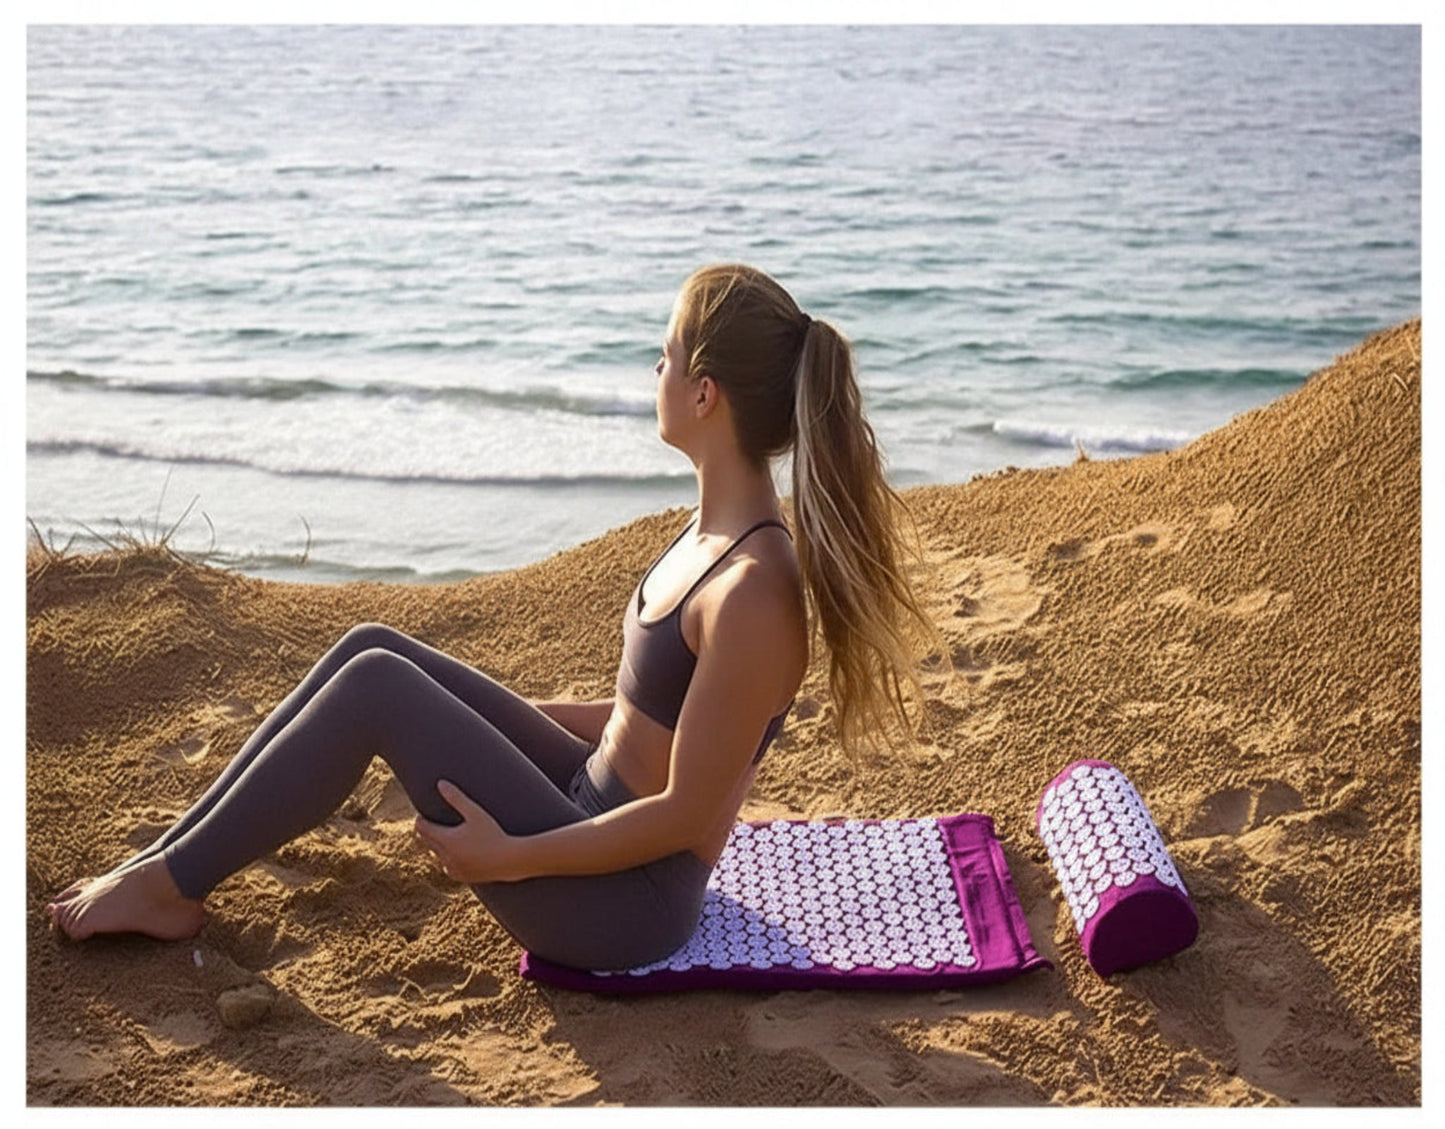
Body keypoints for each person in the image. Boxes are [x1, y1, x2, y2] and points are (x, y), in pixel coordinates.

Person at [47, 263, 939, 972]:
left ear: (704, 393)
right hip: (586, 801)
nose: (654, 371)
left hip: (625, 903)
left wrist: (509, 857)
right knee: (373, 645)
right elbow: (657, 723)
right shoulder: (712, 533)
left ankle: (170, 885)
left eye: (664, 355)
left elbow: (681, 812)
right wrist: (506, 719)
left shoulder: (752, 591)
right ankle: (169, 861)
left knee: (377, 687)